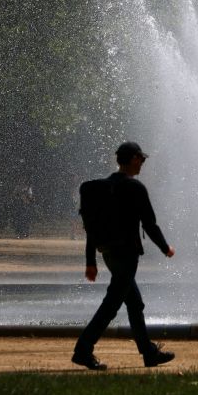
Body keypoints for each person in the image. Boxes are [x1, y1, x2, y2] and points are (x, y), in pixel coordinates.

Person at [72, 141, 176, 371]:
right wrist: (164, 247)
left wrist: (91, 261)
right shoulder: (135, 188)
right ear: (135, 159)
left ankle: (148, 353)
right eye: (142, 160)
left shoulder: (102, 189)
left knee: (134, 303)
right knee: (111, 305)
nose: (143, 165)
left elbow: (92, 227)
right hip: (127, 254)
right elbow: (149, 224)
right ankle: (83, 350)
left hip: (108, 253)